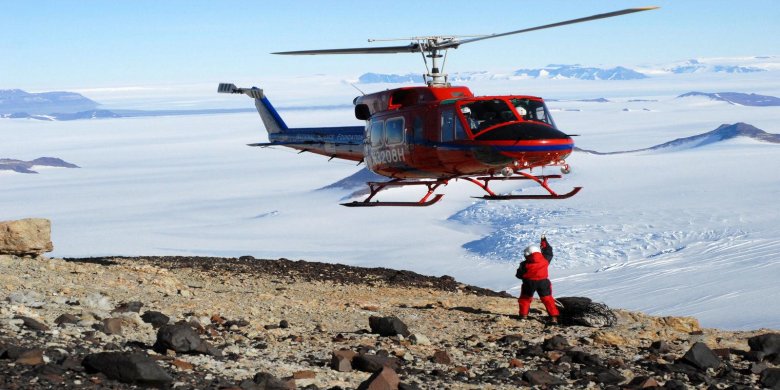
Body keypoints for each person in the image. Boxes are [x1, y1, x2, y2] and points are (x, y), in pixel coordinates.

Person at [515, 235, 560, 324]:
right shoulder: (545, 259)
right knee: (548, 299)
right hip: (543, 282)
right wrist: (543, 240)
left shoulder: (524, 264)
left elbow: (519, 275)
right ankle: (553, 318)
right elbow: (548, 251)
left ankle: (523, 316)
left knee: (525, 299)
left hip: (529, 283)